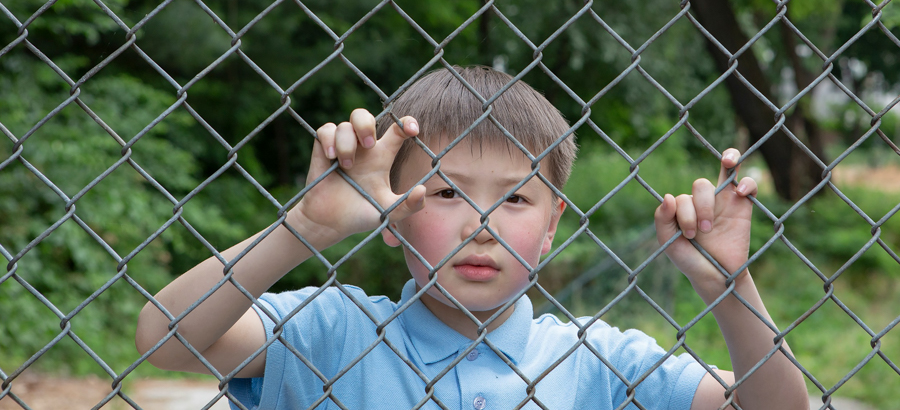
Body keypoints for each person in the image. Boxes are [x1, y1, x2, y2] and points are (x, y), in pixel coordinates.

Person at [135, 66, 809, 410]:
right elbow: (165, 338)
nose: (479, 226)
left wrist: (729, 288)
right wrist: (303, 229)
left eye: (515, 198)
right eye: (448, 193)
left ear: (551, 229)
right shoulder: (332, 333)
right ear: (394, 216)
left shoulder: (596, 362)